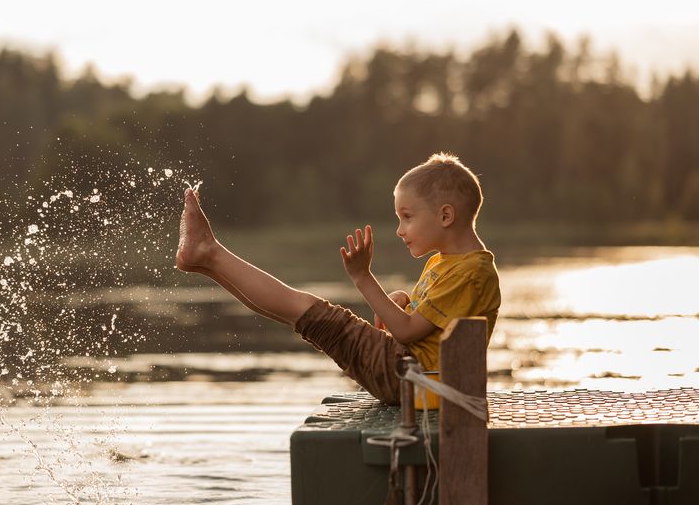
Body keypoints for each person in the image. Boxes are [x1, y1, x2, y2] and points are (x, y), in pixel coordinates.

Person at [175, 153, 500, 409]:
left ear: (445, 216)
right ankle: (207, 261)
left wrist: (362, 276)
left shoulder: (470, 273)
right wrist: (404, 300)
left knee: (306, 309)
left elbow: (405, 330)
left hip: (410, 377)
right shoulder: (447, 264)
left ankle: (210, 254)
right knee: (300, 315)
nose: (400, 229)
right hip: (409, 374)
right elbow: (421, 326)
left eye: (407, 217)